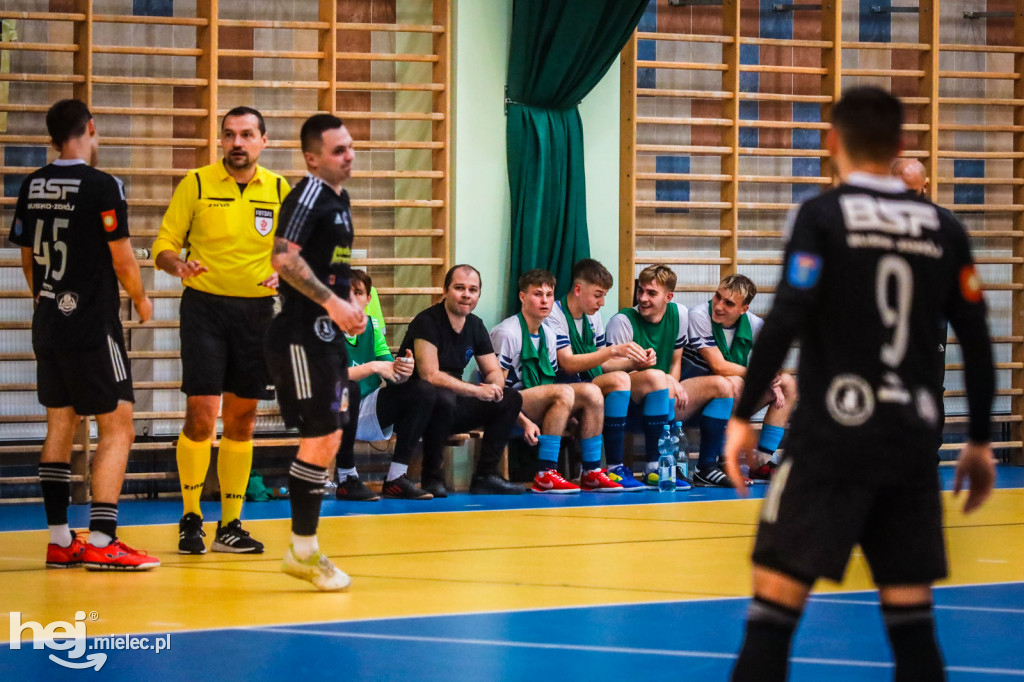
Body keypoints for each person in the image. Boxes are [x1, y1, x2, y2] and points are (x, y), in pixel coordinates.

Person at [723, 86, 995, 682]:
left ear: (832, 143)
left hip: (831, 441)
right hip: (911, 442)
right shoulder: (944, 228)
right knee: (913, 625)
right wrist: (978, 439)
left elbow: (786, 319)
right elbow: (976, 339)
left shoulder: (824, 215)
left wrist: (743, 416)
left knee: (771, 617)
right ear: (899, 147)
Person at [10, 99, 159, 570]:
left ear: (51, 137)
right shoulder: (102, 185)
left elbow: (28, 256)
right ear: (91, 128)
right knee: (119, 427)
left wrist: (44, 298)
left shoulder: (31, 185)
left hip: (49, 320)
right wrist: (140, 299)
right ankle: (101, 537)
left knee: (61, 424)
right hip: (93, 325)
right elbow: (122, 257)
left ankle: (59, 539)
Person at [154, 106, 290, 555]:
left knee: (242, 419)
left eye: (247, 134)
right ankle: (191, 516)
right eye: (229, 134)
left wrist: (284, 275)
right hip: (205, 310)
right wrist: (179, 265)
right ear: (220, 141)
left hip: (256, 315)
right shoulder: (195, 183)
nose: (237, 143)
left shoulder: (278, 189)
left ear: (263, 141)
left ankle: (230, 524)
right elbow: (164, 246)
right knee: (200, 413)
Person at [264, 114, 364, 590]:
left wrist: (350, 307)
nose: (350, 155)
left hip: (328, 333)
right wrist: (331, 303)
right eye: (339, 149)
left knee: (329, 437)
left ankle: (305, 549)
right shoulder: (307, 194)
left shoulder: (339, 200)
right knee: (320, 434)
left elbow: (327, 268)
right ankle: (302, 550)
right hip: (302, 336)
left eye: (350, 146)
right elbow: (282, 256)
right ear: (313, 159)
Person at [607, 264, 743, 491]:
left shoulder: (679, 314)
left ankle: (706, 467)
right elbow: (614, 376)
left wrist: (673, 383)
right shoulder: (622, 321)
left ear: (668, 297)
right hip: (631, 406)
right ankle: (653, 468)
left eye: (651, 293)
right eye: (641, 291)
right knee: (655, 377)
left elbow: (675, 361)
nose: (643, 298)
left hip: (665, 397)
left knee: (723, 385)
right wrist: (664, 380)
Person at [394, 264, 525, 495]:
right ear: (445, 291)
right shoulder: (427, 321)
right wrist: (475, 391)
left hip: (454, 403)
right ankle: (431, 476)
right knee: (442, 398)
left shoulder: (475, 325)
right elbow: (429, 375)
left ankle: (486, 475)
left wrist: (494, 387)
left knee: (510, 398)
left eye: (473, 290)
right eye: (459, 288)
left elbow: (493, 370)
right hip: (418, 407)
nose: (466, 295)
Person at [491, 269, 615, 494]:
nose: (545, 300)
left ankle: (591, 472)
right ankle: (545, 472)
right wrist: (523, 422)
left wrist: (571, 412)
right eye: (537, 294)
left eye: (549, 295)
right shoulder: (507, 333)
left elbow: (550, 380)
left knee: (592, 392)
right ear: (522, 297)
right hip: (510, 403)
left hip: (538, 397)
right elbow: (497, 389)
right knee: (564, 393)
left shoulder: (549, 335)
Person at [543, 259, 656, 492]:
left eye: (604, 295)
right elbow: (569, 363)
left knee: (646, 376)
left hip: (586, 383)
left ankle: (650, 467)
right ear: (577, 289)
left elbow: (600, 365)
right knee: (617, 381)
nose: (602, 302)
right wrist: (613, 350)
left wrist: (635, 361)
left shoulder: (592, 315)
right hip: (561, 385)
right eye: (597, 295)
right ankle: (611, 466)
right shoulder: (554, 314)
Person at [334, 268, 440, 501]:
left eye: (359, 293)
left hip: (366, 406)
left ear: (368, 298)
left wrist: (404, 370)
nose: (352, 298)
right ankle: (346, 479)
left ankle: (396, 478)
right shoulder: (326, 327)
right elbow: (332, 377)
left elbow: (391, 372)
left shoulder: (371, 327)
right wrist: (372, 367)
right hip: (329, 409)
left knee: (423, 390)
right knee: (347, 388)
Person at [682, 274, 797, 486]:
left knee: (788, 384)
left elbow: (774, 363)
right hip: (691, 402)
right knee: (732, 382)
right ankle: (720, 462)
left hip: (726, 398)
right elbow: (719, 366)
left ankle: (761, 462)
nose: (718, 306)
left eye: (728, 303)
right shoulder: (700, 315)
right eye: (718, 297)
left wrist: (773, 376)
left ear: (744, 309)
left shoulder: (755, 324)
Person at [892, 157, 948, 450]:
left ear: (925, 187)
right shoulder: (872, 221)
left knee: (929, 387)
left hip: (929, 320)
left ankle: (928, 455)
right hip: (887, 319)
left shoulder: (943, 223)